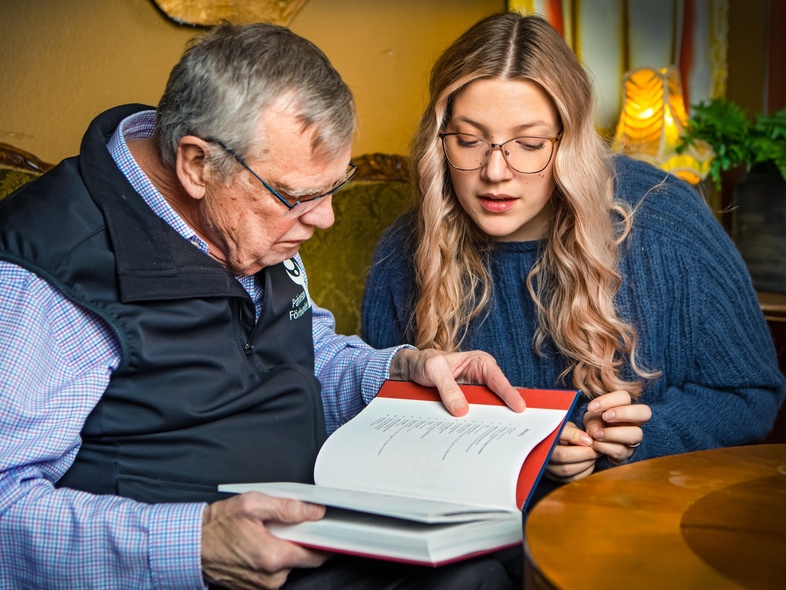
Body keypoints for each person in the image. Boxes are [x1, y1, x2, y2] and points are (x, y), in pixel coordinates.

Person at [0, 22, 528, 590]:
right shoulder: (45, 275)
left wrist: (397, 370)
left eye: (334, 188)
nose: (324, 218)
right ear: (197, 165)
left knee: (493, 561)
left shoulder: (244, 225)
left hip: (315, 540)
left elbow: (301, 353)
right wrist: (195, 544)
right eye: (299, 197)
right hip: (197, 572)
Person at [362, 12, 786, 489]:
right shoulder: (403, 252)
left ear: (571, 142)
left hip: (640, 520)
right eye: (469, 140)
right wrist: (521, 451)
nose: (496, 170)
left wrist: (642, 438)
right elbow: (387, 433)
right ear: (439, 142)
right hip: (479, 539)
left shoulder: (664, 219)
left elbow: (751, 392)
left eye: (528, 143)